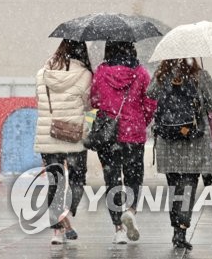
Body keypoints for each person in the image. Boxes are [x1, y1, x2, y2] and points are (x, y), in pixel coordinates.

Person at [146, 58, 212, 250]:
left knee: (174, 188)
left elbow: (150, 93)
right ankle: (181, 231)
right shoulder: (200, 75)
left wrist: (162, 72)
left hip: (168, 139)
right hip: (192, 139)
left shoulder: (162, 75)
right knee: (187, 188)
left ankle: (177, 229)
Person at [89, 40, 157, 244]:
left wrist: (108, 111)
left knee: (112, 180)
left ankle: (118, 229)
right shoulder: (141, 73)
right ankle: (131, 210)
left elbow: (94, 101)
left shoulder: (100, 73)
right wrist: (139, 121)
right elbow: (150, 102)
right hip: (133, 134)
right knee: (134, 178)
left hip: (108, 135)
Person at [34, 38, 92, 245]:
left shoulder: (43, 73)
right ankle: (67, 212)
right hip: (74, 135)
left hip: (48, 134)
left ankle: (58, 229)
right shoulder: (85, 74)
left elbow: (39, 101)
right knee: (78, 180)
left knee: (55, 183)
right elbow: (88, 104)